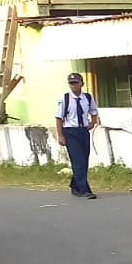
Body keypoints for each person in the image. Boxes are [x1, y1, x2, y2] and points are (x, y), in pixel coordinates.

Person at [55, 71, 100, 199]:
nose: (74, 86)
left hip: (83, 131)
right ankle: (85, 189)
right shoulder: (65, 99)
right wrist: (60, 135)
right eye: (71, 83)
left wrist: (93, 121)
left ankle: (75, 186)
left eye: (76, 83)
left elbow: (93, 111)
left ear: (82, 83)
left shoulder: (87, 97)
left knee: (84, 160)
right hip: (70, 131)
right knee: (78, 160)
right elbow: (59, 118)